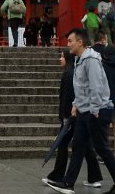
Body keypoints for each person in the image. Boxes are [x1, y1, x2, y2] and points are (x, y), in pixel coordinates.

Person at [47, 28, 115, 194]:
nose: (68, 44)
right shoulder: (80, 60)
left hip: (96, 111)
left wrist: (95, 108)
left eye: (70, 41)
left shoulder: (91, 60)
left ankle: (69, 182)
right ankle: (68, 183)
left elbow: (96, 86)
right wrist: (76, 104)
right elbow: (82, 87)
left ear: (80, 42)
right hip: (85, 110)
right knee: (78, 145)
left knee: (102, 148)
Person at [42, 49, 102, 188]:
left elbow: (66, 98)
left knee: (63, 143)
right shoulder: (73, 71)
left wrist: (64, 117)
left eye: (62, 56)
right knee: (85, 145)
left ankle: (58, 175)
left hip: (72, 114)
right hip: (78, 112)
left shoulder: (69, 74)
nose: (60, 59)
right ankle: (94, 177)